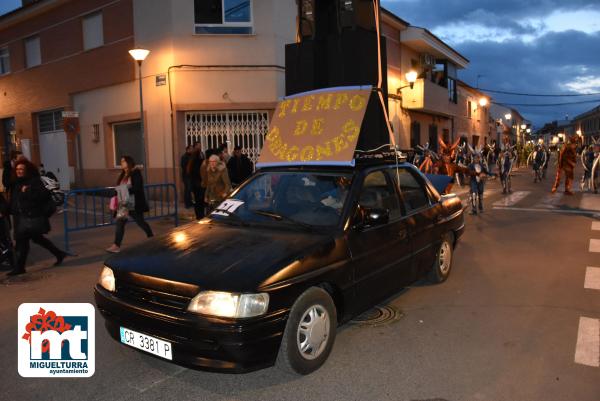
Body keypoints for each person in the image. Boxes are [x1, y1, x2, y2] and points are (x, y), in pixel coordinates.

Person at [8, 160, 67, 275]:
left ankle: (20, 268)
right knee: (36, 239)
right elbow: (15, 201)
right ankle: (59, 253)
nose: (19, 171)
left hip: (31, 218)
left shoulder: (34, 181)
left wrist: (27, 191)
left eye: (22, 169)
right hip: (20, 219)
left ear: (27, 170)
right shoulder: (17, 183)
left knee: (23, 242)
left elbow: (42, 196)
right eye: (17, 169)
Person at [106, 156, 153, 253]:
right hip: (123, 203)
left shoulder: (136, 173)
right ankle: (116, 245)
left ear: (129, 162)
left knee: (141, 222)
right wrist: (116, 192)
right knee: (120, 223)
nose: (121, 163)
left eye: (123, 161)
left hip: (133, 202)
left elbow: (137, 188)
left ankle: (151, 238)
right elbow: (120, 187)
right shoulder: (123, 174)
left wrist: (122, 191)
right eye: (121, 161)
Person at [187, 142, 205, 220]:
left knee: (197, 202)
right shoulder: (197, 161)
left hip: (195, 184)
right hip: (198, 184)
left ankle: (199, 216)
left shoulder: (192, 160)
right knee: (199, 201)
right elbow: (198, 172)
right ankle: (200, 216)